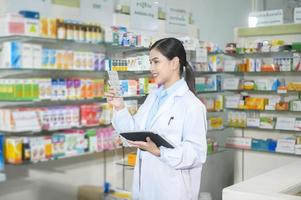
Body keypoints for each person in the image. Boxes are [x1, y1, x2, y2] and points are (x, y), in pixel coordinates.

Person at [106, 37, 207, 200]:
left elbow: (196, 154)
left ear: (174, 63)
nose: (151, 68)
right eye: (150, 62)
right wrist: (119, 107)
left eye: (156, 62)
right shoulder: (153, 98)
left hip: (173, 191)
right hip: (145, 188)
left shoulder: (192, 105)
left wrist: (160, 152)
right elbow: (133, 135)